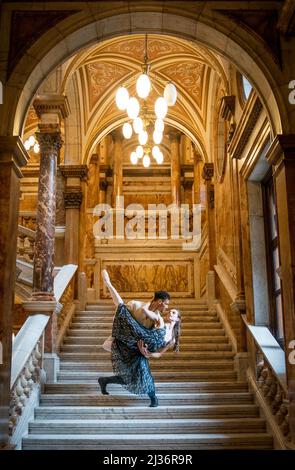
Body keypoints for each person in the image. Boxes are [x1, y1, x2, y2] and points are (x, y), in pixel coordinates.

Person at [98, 270, 181, 407]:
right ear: (160, 302)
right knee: (133, 375)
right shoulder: (137, 305)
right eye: (166, 304)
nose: (167, 307)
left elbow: (154, 345)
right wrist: (108, 284)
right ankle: (153, 398)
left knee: (135, 376)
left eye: (172, 310)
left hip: (139, 349)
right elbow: (120, 307)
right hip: (127, 342)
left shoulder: (160, 321)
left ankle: (105, 381)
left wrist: (146, 352)